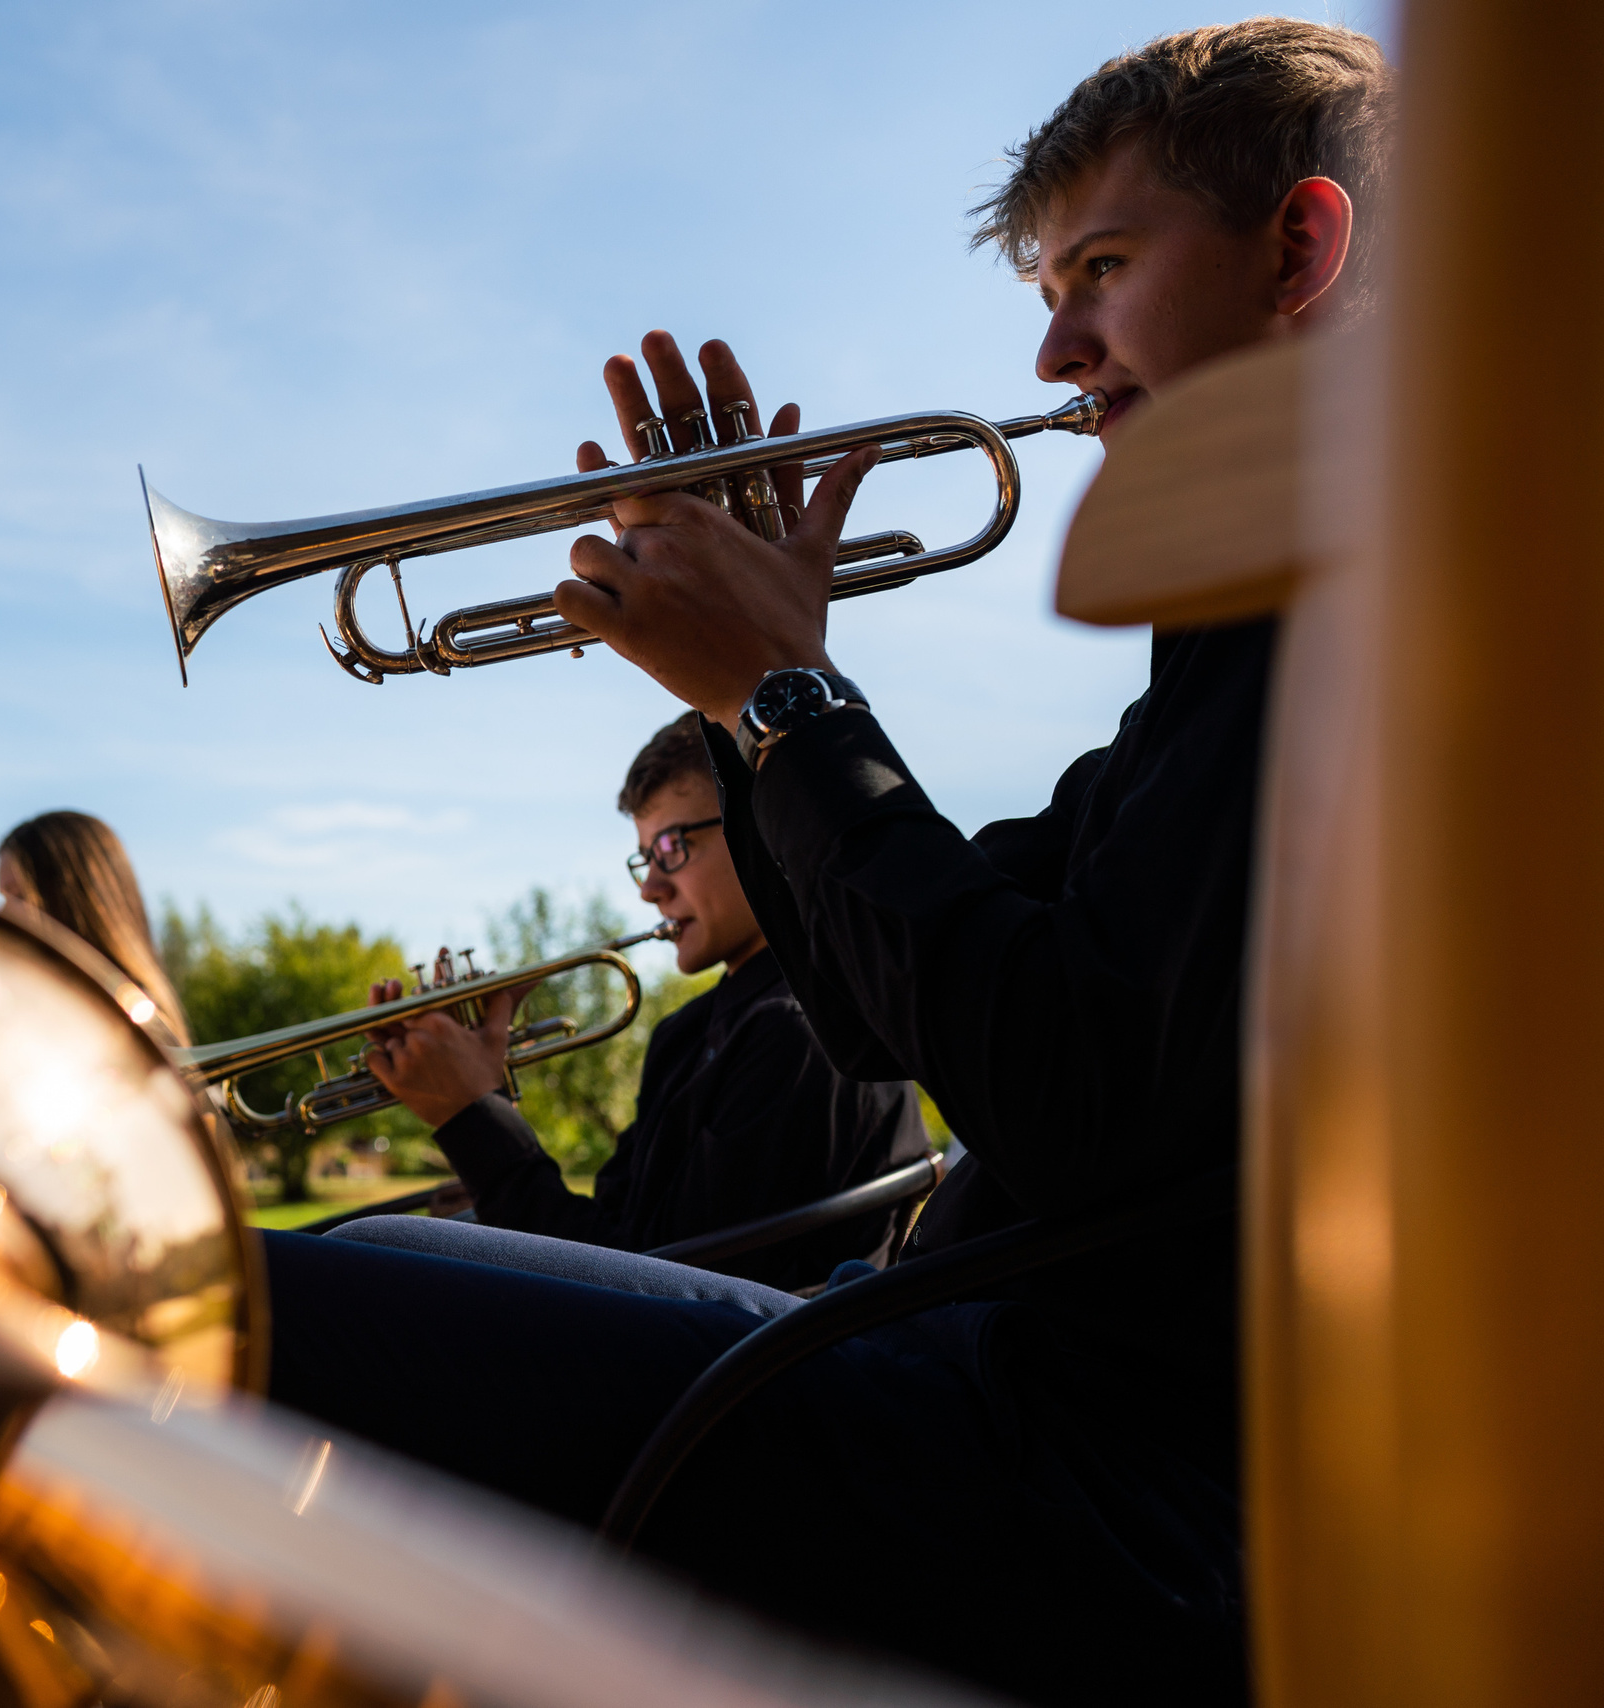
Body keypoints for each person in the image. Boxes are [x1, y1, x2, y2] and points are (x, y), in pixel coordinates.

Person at [260, 22, 1389, 1707]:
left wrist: (779, 688)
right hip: (969, 1375)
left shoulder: (1370, 622)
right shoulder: (1232, 647)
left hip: (1090, 1489)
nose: (1058, 344)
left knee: (279, 1304)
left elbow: (1069, 1093)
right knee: (370, 1266)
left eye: (1101, 267)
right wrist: (747, 711)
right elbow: (881, 1004)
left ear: (1298, 247)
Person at [345, 713, 926, 1289]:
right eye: (645, 858)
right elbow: (612, 1238)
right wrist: (484, 1103)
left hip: (733, 1372)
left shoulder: (806, 1032)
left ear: (764, 829)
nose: (650, 888)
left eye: (672, 847)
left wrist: (470, 1115)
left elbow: (658, 1292)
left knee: (355, 1252)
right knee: (355, 1243)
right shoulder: (688, 1033)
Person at [0, 810, 188, 1043]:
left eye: (20, 896)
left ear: (69, 901)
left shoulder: (131, 1017)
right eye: (4, 897)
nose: (3, 913)